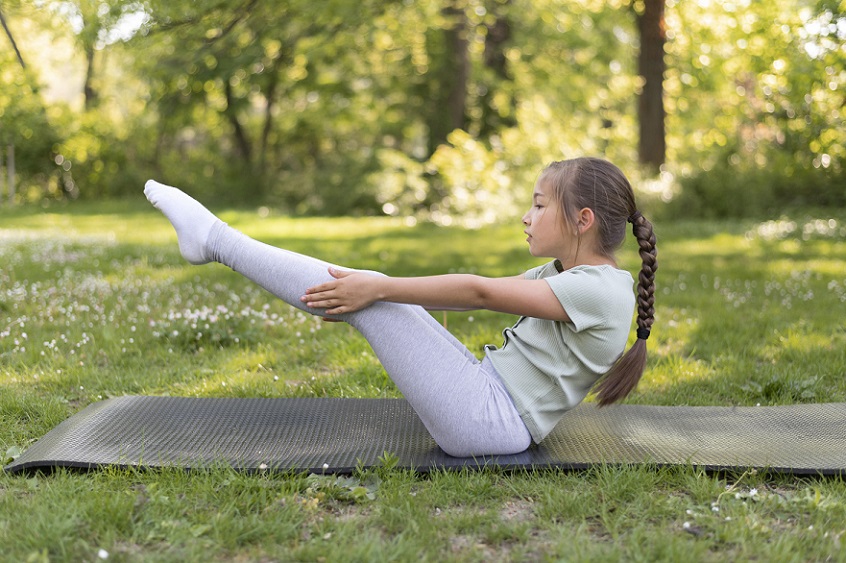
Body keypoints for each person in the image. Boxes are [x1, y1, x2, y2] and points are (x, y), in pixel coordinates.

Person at [144, 157, 657, 458]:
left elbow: (481, 293)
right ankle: (213, 239)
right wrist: (397, 294)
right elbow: (484, 295)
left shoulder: (603, 291)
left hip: (490, 421)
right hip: (486, 399)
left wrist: (384, 288)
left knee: (376, 298)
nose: (527, 216)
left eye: (540, 205)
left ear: (582, 219)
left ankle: (215, 240)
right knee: (381, 294)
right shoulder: (566, 275)